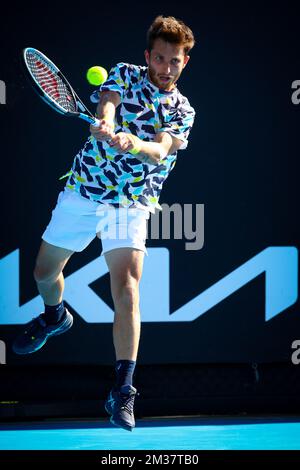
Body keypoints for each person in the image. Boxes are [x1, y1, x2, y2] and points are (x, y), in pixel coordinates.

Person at [12, 15, 196, 431]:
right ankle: (54, 315)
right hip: (85, 190)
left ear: (185, 63)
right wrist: (109, 124)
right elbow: (107, 102)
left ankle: (124, 391)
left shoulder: (183, 110)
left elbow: (161, 150)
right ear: (149, 55)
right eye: (161, 58)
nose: (166, 68)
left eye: (175, 61)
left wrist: (136, 142)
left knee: (127, 286)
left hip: (130, 202)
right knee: (44, 273)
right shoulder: (125, 74)